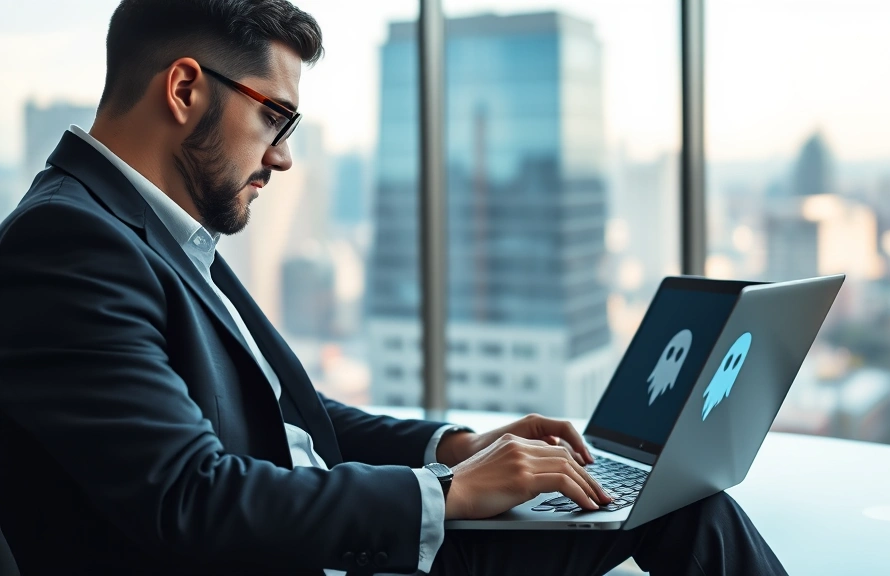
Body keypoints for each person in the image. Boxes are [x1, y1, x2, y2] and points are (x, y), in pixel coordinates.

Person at [0, 1, 789, 574]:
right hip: (305, 554)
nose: (280, 157)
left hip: (328, 534)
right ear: (184, 90)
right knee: (678, 511)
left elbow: (285, 421)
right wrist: (444, 495)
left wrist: (455, 449)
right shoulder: (69, 245)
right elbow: (190, 498)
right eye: (276, 117)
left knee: (672, 501)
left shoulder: (143, 227)